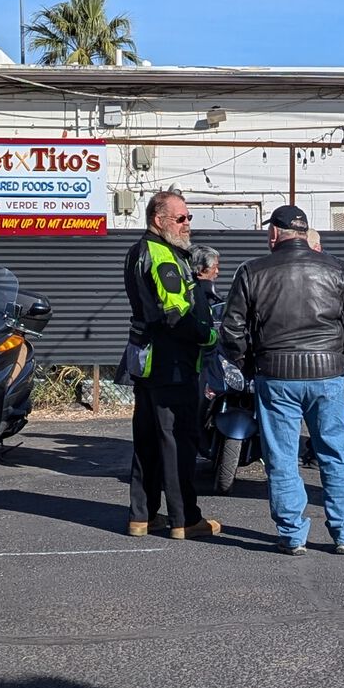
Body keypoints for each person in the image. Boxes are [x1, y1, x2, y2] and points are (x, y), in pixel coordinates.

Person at [219, 204, 344, 555]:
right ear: (304, 232)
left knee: (282, 457)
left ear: (274, 233)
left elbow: (232, 330)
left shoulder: (252, 271)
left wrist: (248, 365)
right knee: (335, 453)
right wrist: (341, 362)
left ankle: (291, 534)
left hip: (275, 374)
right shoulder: (337, 269)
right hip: (327, 373)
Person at [122, 190, 221, 540]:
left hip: (147, 363)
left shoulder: (139, 251)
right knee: (177, 440)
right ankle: (184, 518)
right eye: (180, 218)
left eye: (188, 218)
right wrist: (209, 337)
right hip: (172, 365)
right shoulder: (161, 254)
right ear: (157, 220)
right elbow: (176, 314)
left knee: (147, 441)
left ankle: (142, 516)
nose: (187, 224)